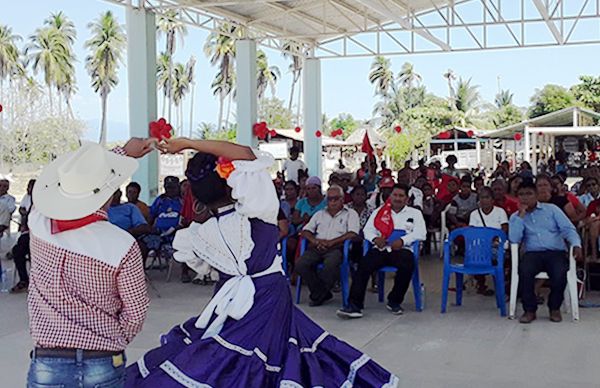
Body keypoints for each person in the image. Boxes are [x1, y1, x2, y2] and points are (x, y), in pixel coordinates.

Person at [126, 138, 398, 387]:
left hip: (229, 301)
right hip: (270, 295)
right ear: (232, 180)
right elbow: (246, 154)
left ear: (195, 195)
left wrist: (201, 214)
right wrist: (185, 143)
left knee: (228, 361)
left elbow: (204, 268)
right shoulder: (259, 210)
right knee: (277, 357)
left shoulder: (196, 236)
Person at [26, 139, 151, 387]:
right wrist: (112, 337)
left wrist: (122, 153)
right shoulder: (121, 244)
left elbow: (68, 180)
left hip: (48, 362)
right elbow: (136, 312)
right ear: (109, 193)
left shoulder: (38, 224)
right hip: (103, 360)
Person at [337, 184, 426, 318]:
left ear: (407, 199)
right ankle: (354, 306)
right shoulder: (380, 211)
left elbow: (421, 233)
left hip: (403, 250)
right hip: (381, 248)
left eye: (401, 196)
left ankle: (394, 301)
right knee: (363, 265)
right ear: (390, 196)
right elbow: (367, 230)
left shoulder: (415, 213)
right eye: (395, 195)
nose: (397, 198)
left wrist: (403, 240)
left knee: (408, 265)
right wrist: (374, 238)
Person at [509, 180, 582, 324]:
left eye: (529, 194)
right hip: (533, 253)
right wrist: (521, 216)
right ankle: (529, 310)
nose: (525, 198)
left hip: (555, 252)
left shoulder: (552, 209)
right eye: (521, 195)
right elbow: (514, 239)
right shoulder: (516, 217)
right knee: (524, 271)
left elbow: (568, 229)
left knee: (560, 272)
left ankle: (554, 307)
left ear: (536, 195)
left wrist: (576, 244)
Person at [296, 185, 360, 306]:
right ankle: (322, 293)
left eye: (336, 198)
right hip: (317, 246)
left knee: (330, 264)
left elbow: (352, 233)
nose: (332, 202)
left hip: (337, 247)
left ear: (342, 199)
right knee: (300, 264)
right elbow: (305, 231)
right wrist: (315, 241)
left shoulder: (350, 213)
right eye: (330, 199)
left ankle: (318, 294)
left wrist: (332, 242)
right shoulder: (319, 214)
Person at [468, 186, 509, 296]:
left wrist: (493, 239)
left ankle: (501, 283)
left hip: (497, 245)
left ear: (492, 199)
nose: (484, 200)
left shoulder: (500, 212)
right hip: (480, 247)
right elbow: (472, 233)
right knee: (477, 255)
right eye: (481, 198)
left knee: (500, 257)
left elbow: (504, 229)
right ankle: (481, 284)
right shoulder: (474, 214)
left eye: (487, 197)